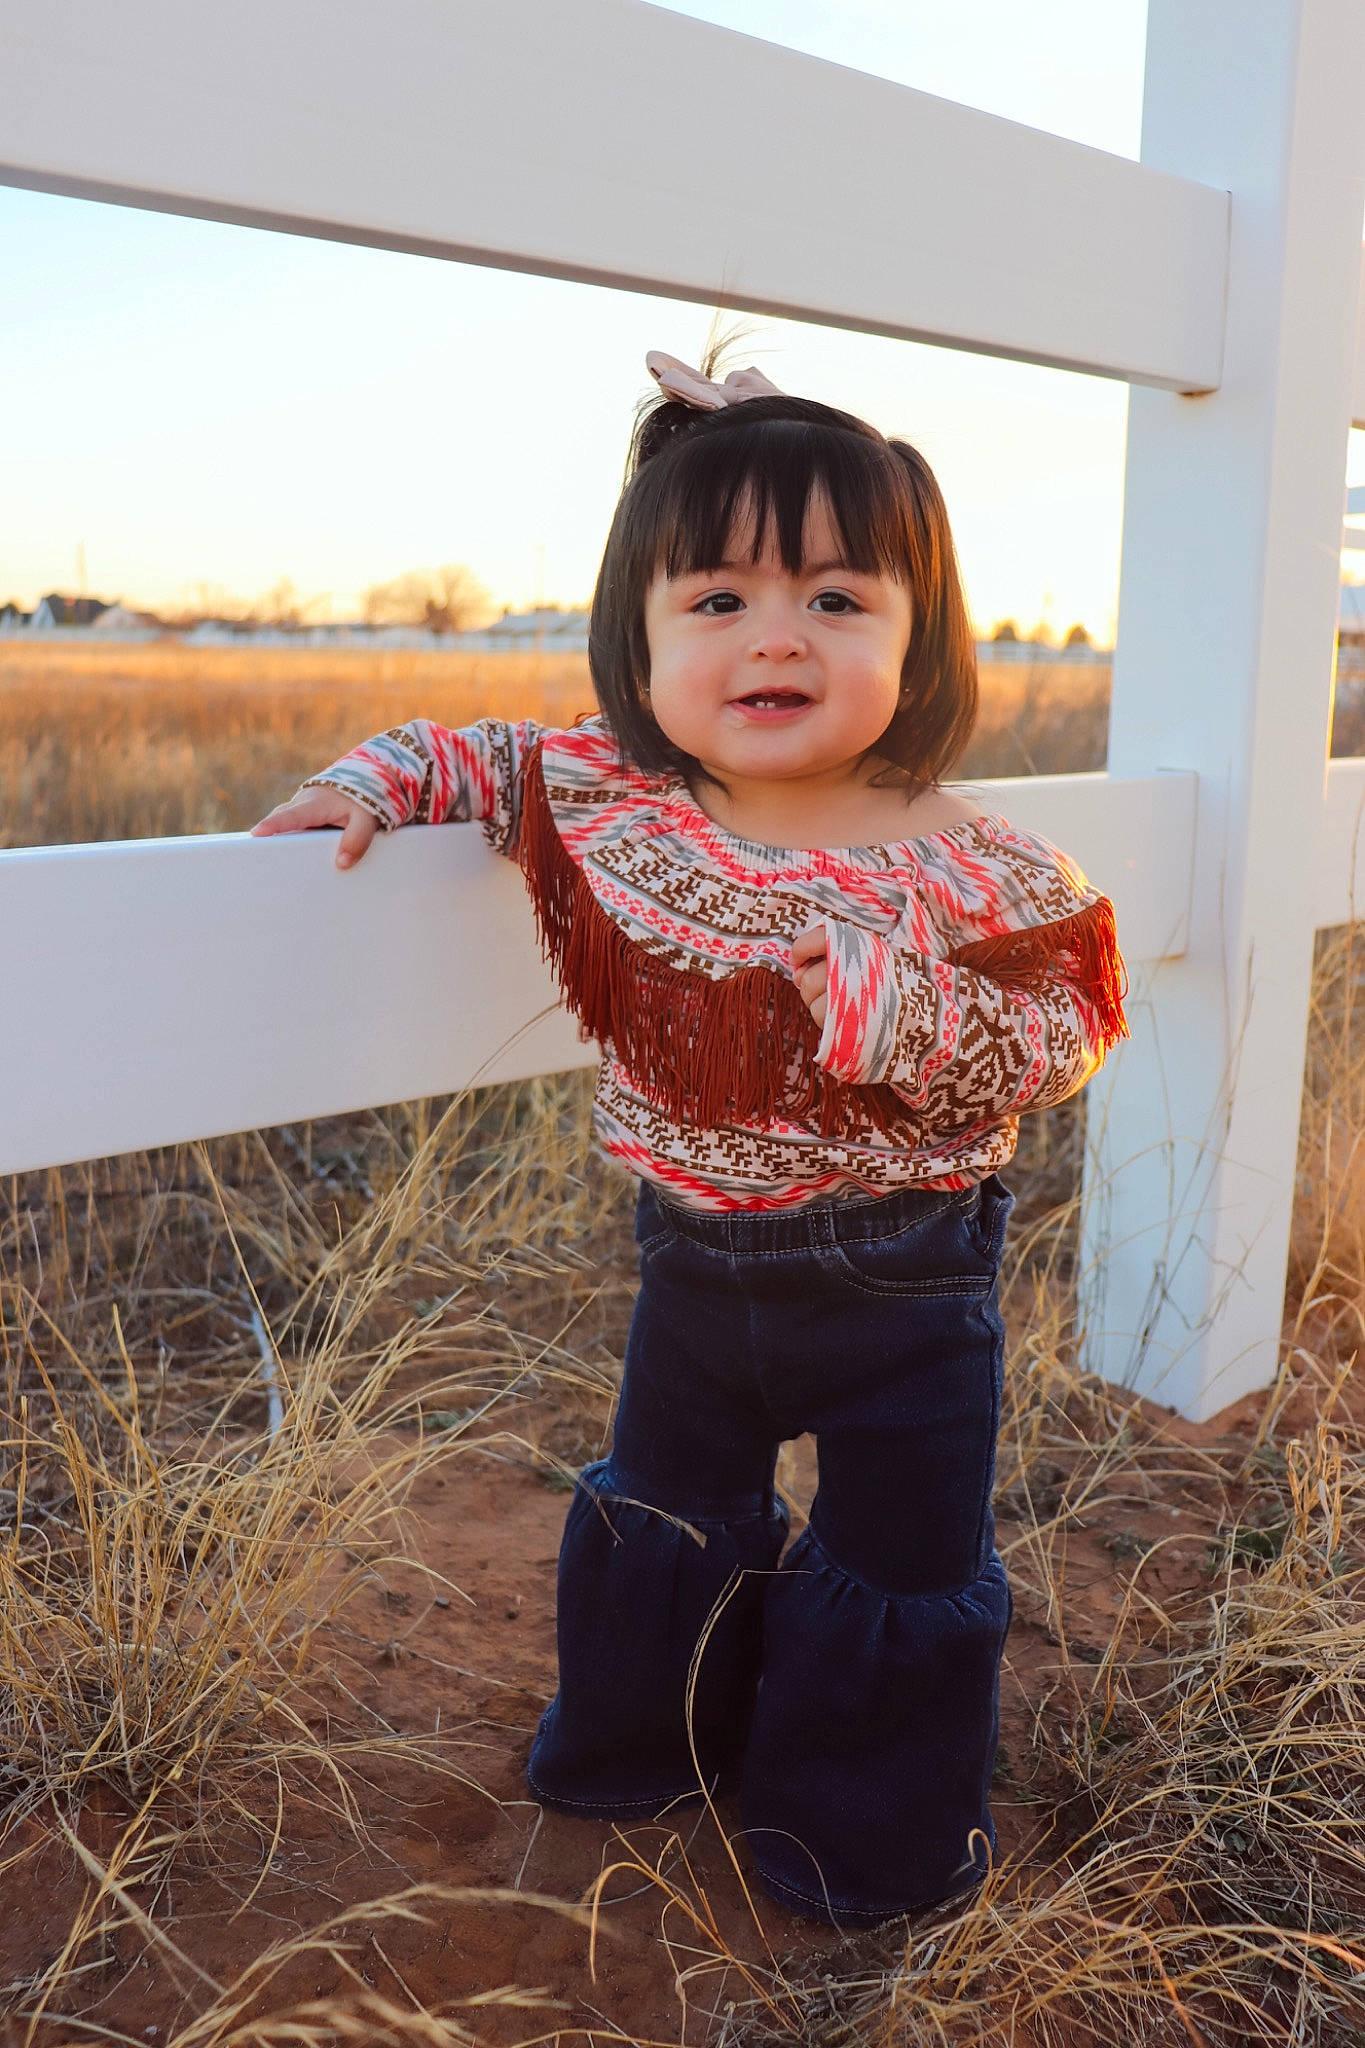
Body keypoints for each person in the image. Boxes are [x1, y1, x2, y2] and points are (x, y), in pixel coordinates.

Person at [251, 349, 1129, 1929]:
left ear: (919, 637)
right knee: (665, 1507)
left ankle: (851, 1843)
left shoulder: (983, 868)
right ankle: (648, 1750)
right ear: (635, 646)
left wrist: (909, 1011)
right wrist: (372, 777)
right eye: (715, 600)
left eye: (838, 600)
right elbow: (484, 755)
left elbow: (1061, 1040)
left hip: (907, 1296)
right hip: (690, 1273)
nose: (774, 634)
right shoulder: (616, 795)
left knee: (897, 1563)